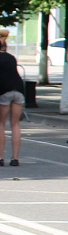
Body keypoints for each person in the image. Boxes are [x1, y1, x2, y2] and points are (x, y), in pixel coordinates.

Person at [0, 36, 23, 167]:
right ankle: (15, 158)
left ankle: (0, 157)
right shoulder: (11, 58)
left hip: (4, 91)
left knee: (1, 124)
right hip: (19, 90)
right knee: (15, 124)